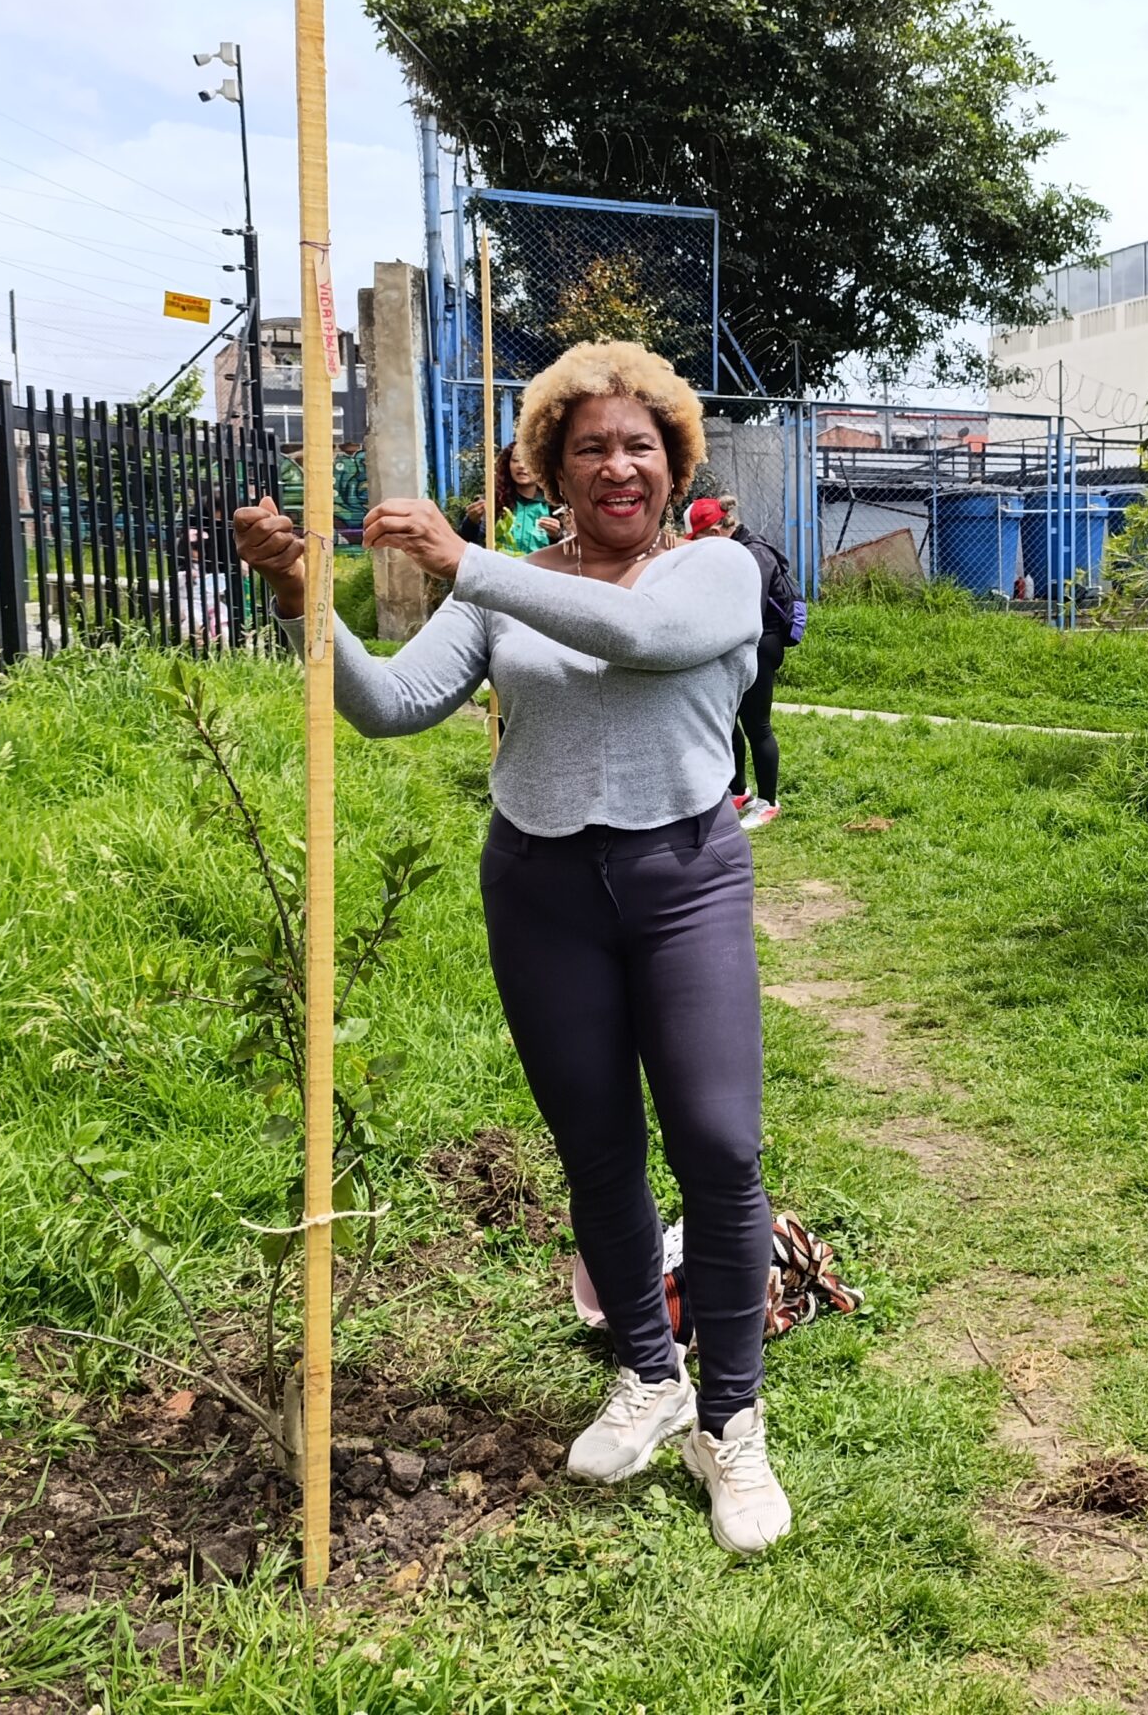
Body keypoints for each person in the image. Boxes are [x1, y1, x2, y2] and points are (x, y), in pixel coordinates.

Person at [232, 339, 790, 1554]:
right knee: (594, 1145)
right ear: (552, 466)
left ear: (673, 458)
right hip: (539, 886)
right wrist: (300, 597)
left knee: (718, 1143)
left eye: (638, 444)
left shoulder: (718, 572)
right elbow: (385, 704)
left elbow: (634, 636)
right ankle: (652, 1378)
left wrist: (468, 560)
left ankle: (732, 1423)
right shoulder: (505, 586)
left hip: (681, 878)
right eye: (588, 446)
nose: (617, 465)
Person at [687, 496, 800, 829]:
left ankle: (768, 802)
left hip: (762, 643)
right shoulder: (732, 549)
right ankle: (738, 791)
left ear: (718, 529)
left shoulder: (754, 555)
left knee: (757, 725)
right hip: (738, 643)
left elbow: (745, 604)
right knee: (728, 718)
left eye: (701, 538)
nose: (699, 546)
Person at [456, 440, 562, 556]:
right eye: (515, 460)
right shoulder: (494, 501)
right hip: (498, 571)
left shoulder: (555, 505)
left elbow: (570, 553)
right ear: (508, 464)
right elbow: (466, 544)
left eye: (529, 460)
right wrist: (471, 522)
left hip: (538, 572)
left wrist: (557, 536)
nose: (521, 466)